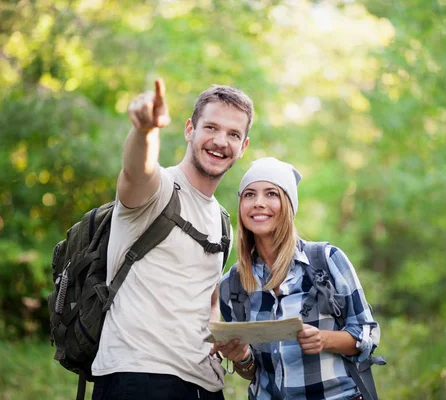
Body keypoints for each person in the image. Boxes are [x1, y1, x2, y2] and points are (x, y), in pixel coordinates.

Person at [91, 79, 253, 400]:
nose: (221, 141)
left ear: (243, 146)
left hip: (203, 383)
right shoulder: (159, 189)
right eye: (211, 128)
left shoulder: (223, 221)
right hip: (138, 375)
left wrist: (224, 337)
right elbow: (137, 171)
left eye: (233, 134)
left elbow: (207, 301)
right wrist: (145, 130)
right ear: (190, 129)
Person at [215, 157, 379, 400]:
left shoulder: (326, 260)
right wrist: (241, 358)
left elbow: (366, 333)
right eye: (249, 195)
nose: (258, 203)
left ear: (288, 204)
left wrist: (325, 339)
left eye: (271, 194)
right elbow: (252, 372)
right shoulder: (232, 284)